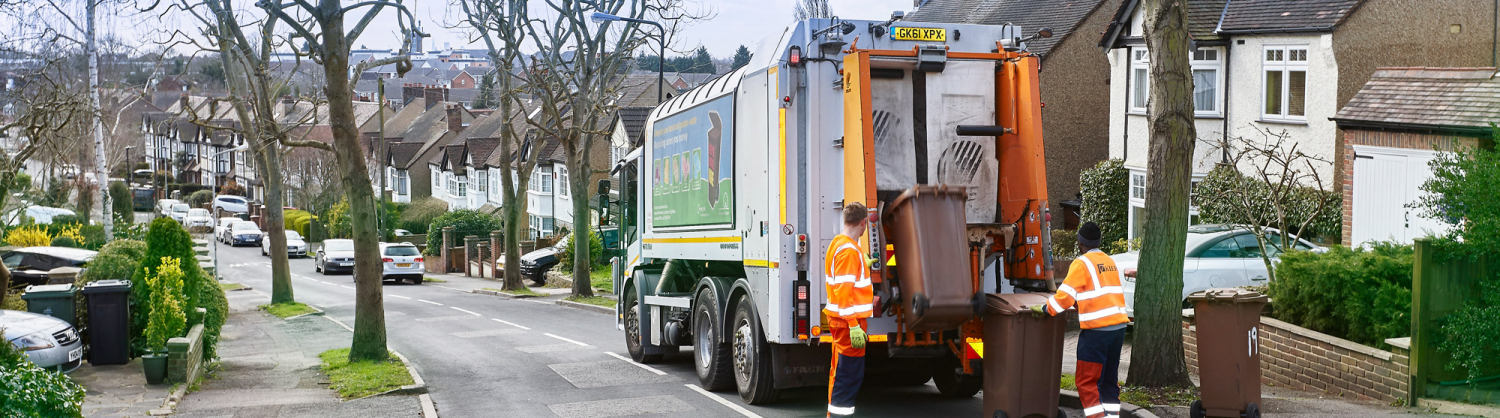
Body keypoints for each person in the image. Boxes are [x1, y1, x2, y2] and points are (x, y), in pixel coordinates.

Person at [1031, 221, 1130, 418]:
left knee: (1087, 381)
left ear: (1080, 243)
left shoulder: (1081, 263)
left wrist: (1046, 308)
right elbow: (1098, 295)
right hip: (1118, 329)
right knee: (1109, 379)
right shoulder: (1109, 261)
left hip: (1097, 333)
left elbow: (1064, 296)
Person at [824, 202, 874, 417]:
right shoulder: (850, 252)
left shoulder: (839, 242)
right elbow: (844, 293)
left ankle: (832, 415)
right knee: (849, 375)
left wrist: (863, 264)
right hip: (848, 322)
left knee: (839, 372)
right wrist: (854, 326)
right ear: (863, 223)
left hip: (841, 320)